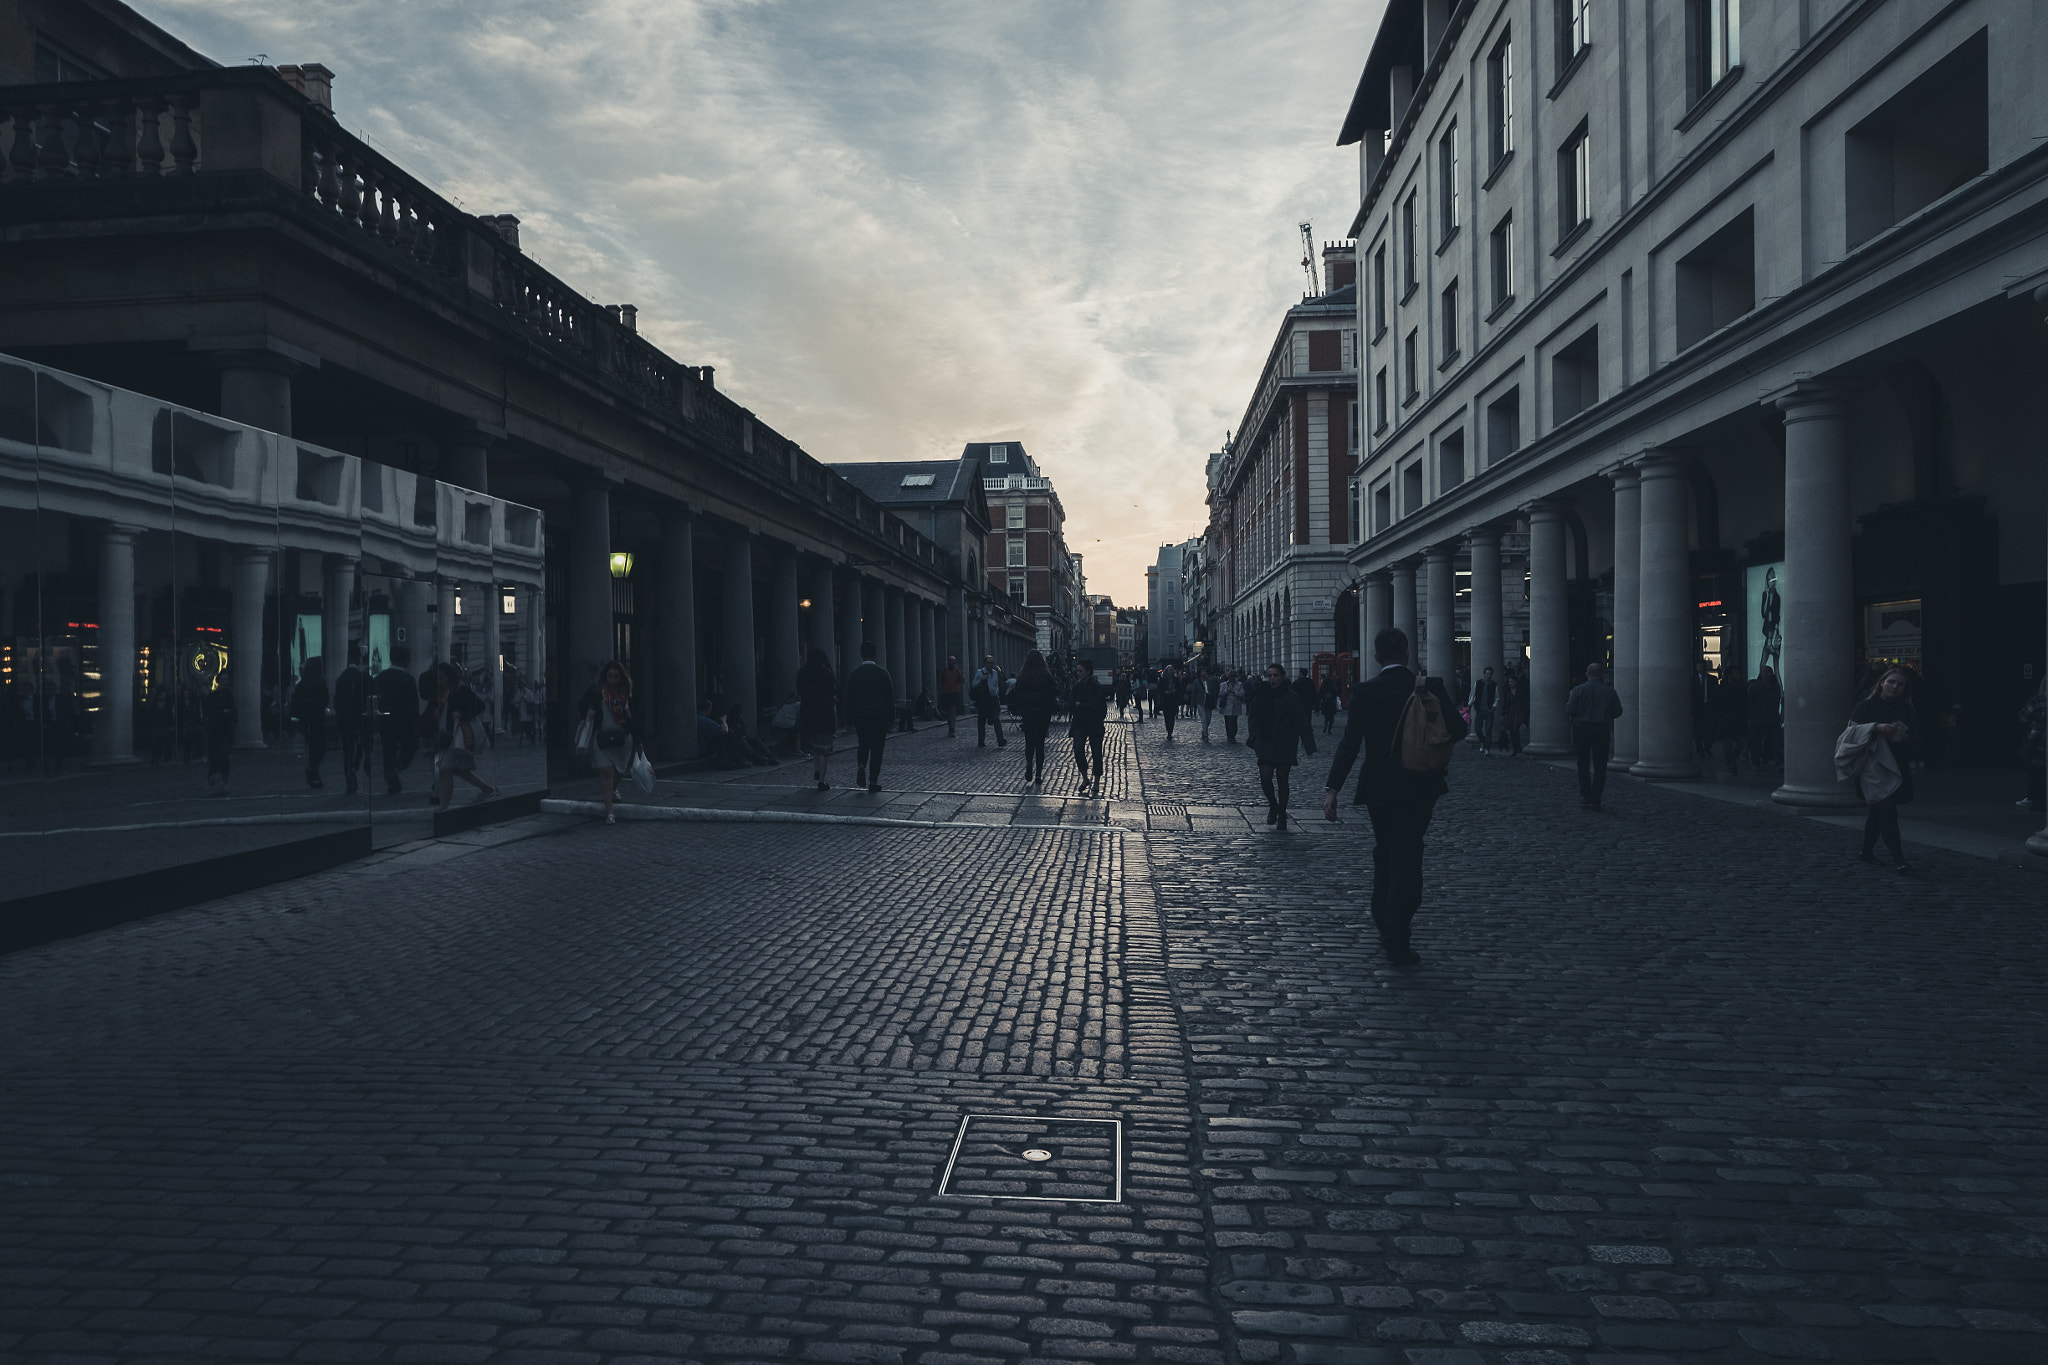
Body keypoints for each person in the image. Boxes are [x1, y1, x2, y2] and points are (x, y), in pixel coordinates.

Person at [1321, 627, 1469, 967]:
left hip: (1379, 786)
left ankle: (1383, 915)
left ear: (1376, 657)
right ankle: (1397, 934)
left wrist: (1333, 790)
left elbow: (1350, 745)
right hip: (1420, 785)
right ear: (1406, 653)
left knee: (1385, 851)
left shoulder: (1365, 692)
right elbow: (1458, 730)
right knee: (1409, 853)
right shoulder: (1429, 687)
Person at [1852, 667, 1918, 873]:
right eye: (1891, 682)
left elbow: (1916, 737)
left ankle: (1866, 851)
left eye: (1900, 684)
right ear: (1881, 682)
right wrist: (1876, 728)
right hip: (1872, 766)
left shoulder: (1906, 709)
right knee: (1888, 810)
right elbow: (1851, 734)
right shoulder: (1866, 706)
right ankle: (1899, 860)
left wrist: (1904, 736)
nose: (1894, 687)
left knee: (1878, 811)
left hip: (1896, 764)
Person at [1248, 661, 1317, 828]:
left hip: (1286, 743)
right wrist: (1254, 738)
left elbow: (1302, 720)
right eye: (1269, 676)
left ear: (1282, 677)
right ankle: (1273, 806)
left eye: (1275, 675)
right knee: (1265, 778)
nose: (1272, 679)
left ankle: (1282, 814)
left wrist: (1308, 745)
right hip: (1265, 742)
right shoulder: (1261, 694)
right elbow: (1252, 718)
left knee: (1282, 779)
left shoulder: (1291, 696)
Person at [577, 660, 634, 824]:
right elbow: (580, 705)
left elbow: (633, 717)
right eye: (610, 676)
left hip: (622, 737)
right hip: (601, 737)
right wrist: (588, 714)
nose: (613, 680)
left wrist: (638, 741)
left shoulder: (625, 693)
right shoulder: (597, 692)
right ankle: (610, 812)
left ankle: (614, 788)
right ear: (605, 676)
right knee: (605, 772)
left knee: (619, 770)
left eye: (616, 676)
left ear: (621, 678)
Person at [1565, 661, 1624, 811]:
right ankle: (1595, 799)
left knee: (1582, 763)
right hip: (1601, 729)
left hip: (1582, 729)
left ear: (1587, 674)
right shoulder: (1609, 691)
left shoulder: (1577, 690)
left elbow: (1570, 709)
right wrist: (1605, 714)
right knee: (1600, 765)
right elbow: (1618, 711)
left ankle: (1585, 794)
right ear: (1602, 674)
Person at [844, 640, 894, 792]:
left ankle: (861, 766)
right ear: (875, 654)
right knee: (877, 748)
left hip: (861, 715)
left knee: (863, 743)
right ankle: (873, 781)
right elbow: (890, 698)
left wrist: (848, 720)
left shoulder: (854, 674)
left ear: (861, 655)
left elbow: (849, 699)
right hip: (879, 715)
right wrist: (892, 719)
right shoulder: (883, 673)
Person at [373, 646, 420, 795]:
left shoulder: (380, 678)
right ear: (405, 660)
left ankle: (391, 776)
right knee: (411, 745)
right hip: (404, 721)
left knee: (388, 750)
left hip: (385, 720)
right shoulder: (408, 679)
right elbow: (413, 705)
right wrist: (417, 724)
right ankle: (396, 767)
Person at [1012, 649, 1058, 784]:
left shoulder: (1023, 676)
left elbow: (1017, 694)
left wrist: (1021, 708)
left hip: (1028, 713)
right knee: (1040, 744)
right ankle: (1038, 773)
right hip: (1042, 713)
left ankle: (1028, 764)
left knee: (1029, 742)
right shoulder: (1045, 675)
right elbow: (1054, 691)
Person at [796, 648, 837, 791]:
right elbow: (832, 691)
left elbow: (799, 692)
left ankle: (816, 769)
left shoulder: (802, 673)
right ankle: (822, 779)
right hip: (824, 713)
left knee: (815, 745)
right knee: (824, 749)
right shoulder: (825, 673)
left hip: (808, 713)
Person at [1068, 658, 1110, 796]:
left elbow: (1097, 706)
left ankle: (1096, 781)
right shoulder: (1076, 687)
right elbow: (1072, 704)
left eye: (1080, 671)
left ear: (1088, 672)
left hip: (1094, 724)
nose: (1078, 673)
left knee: (1096, 752)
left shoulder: (1096, 688)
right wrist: (1083, 706)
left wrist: (1082, 705)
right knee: (1078, 749)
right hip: (1080, 723)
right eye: (1077, 670)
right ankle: (1085, 778)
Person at [332, 645, 370, 795]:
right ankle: (354, 769)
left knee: (347, 749)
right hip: (358, 717)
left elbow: (337, 700)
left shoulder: (342, 677)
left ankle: (349, 778)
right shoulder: (361, 677)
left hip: (343, 717)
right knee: (360, 746)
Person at [290, 657, 329, 790]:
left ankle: (313, 770)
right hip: (317, 718)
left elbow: (296, 702)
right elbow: (325, 699)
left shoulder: (302, 684)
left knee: (314, 746)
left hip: (307, 719)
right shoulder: (319, 682)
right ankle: (313, 769)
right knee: (319, 747)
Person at [202, 670, 236, 797]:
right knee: (214, 756)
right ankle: (214, 779)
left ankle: (224, 783)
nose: (225, 683)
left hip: (225, 732)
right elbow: (210, 714)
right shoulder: (212, 697)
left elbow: (232, 714)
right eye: (223, 680)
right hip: (214, 732)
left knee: (224, 755)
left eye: (227, 680)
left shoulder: (230, 696)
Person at [1713, 666, 1748, 774]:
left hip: (1738, 719)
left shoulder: (1741, 687)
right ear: (1729, 675)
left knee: (1742, 742)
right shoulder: (1721, 688)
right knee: (1727, 743)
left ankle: (1731, 759)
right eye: (1735, 673)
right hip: (1726, 719)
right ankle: (1731, 762)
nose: (1738, 675)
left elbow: (1745, 702)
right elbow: (1716, 703)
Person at [2019, 677, 2046, 814]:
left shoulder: (2039, 700)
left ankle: (2037, 802)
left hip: (2040, 743)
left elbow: (2023, 716)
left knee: (2037, 774)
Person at [1747, 664, 1782, 768]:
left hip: (1772, 718)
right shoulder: (1755, 687)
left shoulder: (1775, 687)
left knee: (1776, 742)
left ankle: (1778, 761)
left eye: (1769, 672)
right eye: (1766, 672)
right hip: (1758, 719)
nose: (1768, 675)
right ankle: (1756, 760)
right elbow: (1750, 702)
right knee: (1756, 742)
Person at [971, 655, 1007, 748]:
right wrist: (981, 680)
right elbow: (973, 685)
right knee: (982, 720)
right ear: (985, 663)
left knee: (996, 719)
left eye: (992, 663)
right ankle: (981, 741)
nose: (990, 665)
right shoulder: (980, 672)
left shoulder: (995, 672)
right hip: (984, 700)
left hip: (993, 699)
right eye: (988, 663)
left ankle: (1000, 740)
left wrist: (997, 696)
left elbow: (996, 685)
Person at [1691, 658, 1718, 759]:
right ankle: (1699, 749)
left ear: (1705, 667)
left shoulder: (1713, 679)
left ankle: (1707, 746)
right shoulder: (1693, 680)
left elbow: (1715, 694)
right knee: (1698, 729)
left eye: (1702, 666)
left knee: (1710, 728)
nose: (1700, 668)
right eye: (1699, 667)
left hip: (1709, 706)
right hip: (1698, 707)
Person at [1468, 667, 1499, 755]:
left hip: (1489, 710)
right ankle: (1483, 741)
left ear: (1492, 675)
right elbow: (1473, 694)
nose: (1488, 676)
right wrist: (1470, 704)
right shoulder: (1478, 683)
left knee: (1488, 730)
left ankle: (1487, 748)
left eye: (1490, 674)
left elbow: (1497, 697)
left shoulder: (1494, 685)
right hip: (1479, 709)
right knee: (1477, 729)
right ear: (1484, 674)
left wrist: (1494, 706)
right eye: (1487, 674)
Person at [1498, 673, 1525, 756]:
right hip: (1510, 712)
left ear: (1516, 682)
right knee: (1512, 730)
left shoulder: (1520, 691)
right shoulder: (1508, 692)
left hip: (1519, 712)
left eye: (1512, 682)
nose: (1511, 684)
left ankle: (1517, 747)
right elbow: (1505, 703)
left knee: (1515, 728)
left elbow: (1524, 703)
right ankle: (1516, 748)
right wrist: (1503, 714)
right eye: (1509, 682)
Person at [938, 656, 965, 736]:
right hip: (946, 693)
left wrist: (959, 671)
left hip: (955, 693)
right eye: (950, 661)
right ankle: (950, 727)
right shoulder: (944, 671)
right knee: (948, 712)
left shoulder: (957, 671)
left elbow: (962, 680)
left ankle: (952, 729)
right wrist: (940, 692)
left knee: (953, 711)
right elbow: (940, 682)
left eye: (953, 661)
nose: (951, 662)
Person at [1157, 666, 1182, 741]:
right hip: (1166, 700)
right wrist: (1164, 692)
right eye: (1169, 670)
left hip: (1173, 700)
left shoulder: (1175, 679)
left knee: (1172, 717)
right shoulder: (1163, 679)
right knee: (1167, 717)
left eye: (1172, 670)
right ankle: (1168, 730)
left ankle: (1170, 731)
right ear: (1166, 671)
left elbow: (1179, 688)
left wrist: (1176, 692)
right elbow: (1160, 689)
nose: (1171, 672)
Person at [1220, 669, 1245, 743]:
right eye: (1231, 677)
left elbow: (1242, 694)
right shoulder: (1223, 684)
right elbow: (1220, 694)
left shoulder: (1239, 684)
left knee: (1234, 721)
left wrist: (1235, 692)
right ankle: (1230, 736)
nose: (1232, 679)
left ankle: (1233, 735)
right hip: (1226, 706)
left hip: (1235, 706)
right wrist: (1227, 691)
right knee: (1228, 721)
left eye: (1234, 677)